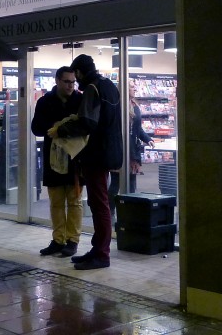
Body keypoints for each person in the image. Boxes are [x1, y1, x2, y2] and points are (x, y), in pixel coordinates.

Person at [51, 54, 122, 270]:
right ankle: (97, 249)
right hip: (109, 151)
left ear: (80, 73)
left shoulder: (92, 88)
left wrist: (62, 130)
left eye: (75, 76)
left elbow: (88, 123)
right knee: (99, 202)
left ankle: (101, 254)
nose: (75, 82)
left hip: (96, 155)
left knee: (99, 204)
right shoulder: (109, 86)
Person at [31, 67, 83, 257]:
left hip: (75, 159)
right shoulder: (45, 102)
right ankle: (58, 240)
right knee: (56, 201)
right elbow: (35, 127)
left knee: (74, 201)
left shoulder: (80, 100)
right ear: (57, 81)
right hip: (52, 159)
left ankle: (72, 240)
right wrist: (53, 127)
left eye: (73, 82)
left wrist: (63, 130)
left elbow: (85, 126)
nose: (71, 86)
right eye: (67, 82)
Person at [108, 82, 154, 217]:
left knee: (132, 181)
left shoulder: (134, 106)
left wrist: (147, 139)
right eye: (132, 87)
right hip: (120, 148)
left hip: (133, 149)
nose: (135, 89)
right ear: (125, 89)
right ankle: (110, 211)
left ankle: (131, 211)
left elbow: (138, 129)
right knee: (116, 182)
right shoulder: (117, 106)